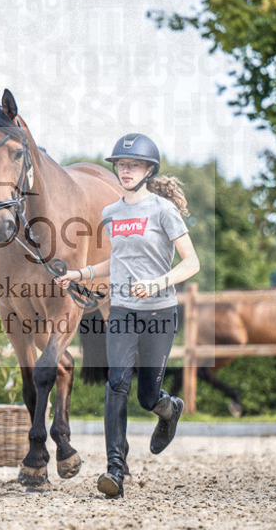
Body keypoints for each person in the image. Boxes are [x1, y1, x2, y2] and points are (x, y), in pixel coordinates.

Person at [57, 133, 200, 499]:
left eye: (133, 165)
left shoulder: (163, 211)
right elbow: (116, 260)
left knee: (147, 396)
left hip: (159, 312)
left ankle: (170, 411)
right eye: (121, 165)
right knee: (116, 382)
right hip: (121, 310)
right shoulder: (111, 213)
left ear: (148, 170)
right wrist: (83, 273)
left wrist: (157, 284)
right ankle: (115, 470)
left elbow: (191, 263)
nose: (125, 170)